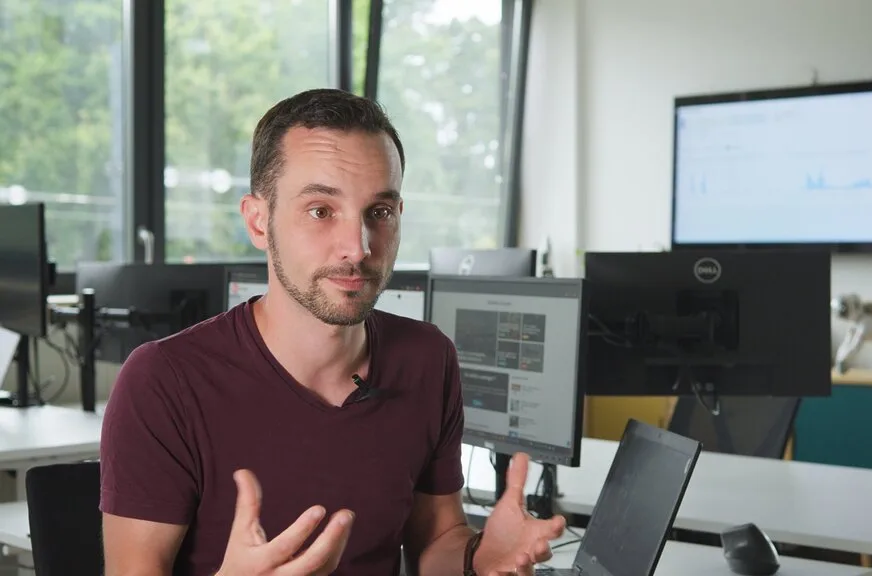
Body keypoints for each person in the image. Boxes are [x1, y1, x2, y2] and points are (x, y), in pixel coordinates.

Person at [99, 88, 565, 576]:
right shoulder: (165, 379)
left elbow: (436, 541)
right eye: (321, 210)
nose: (357, 247)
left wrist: (477, 556)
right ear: (259, 223)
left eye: (379, 212)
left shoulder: (427, 358)